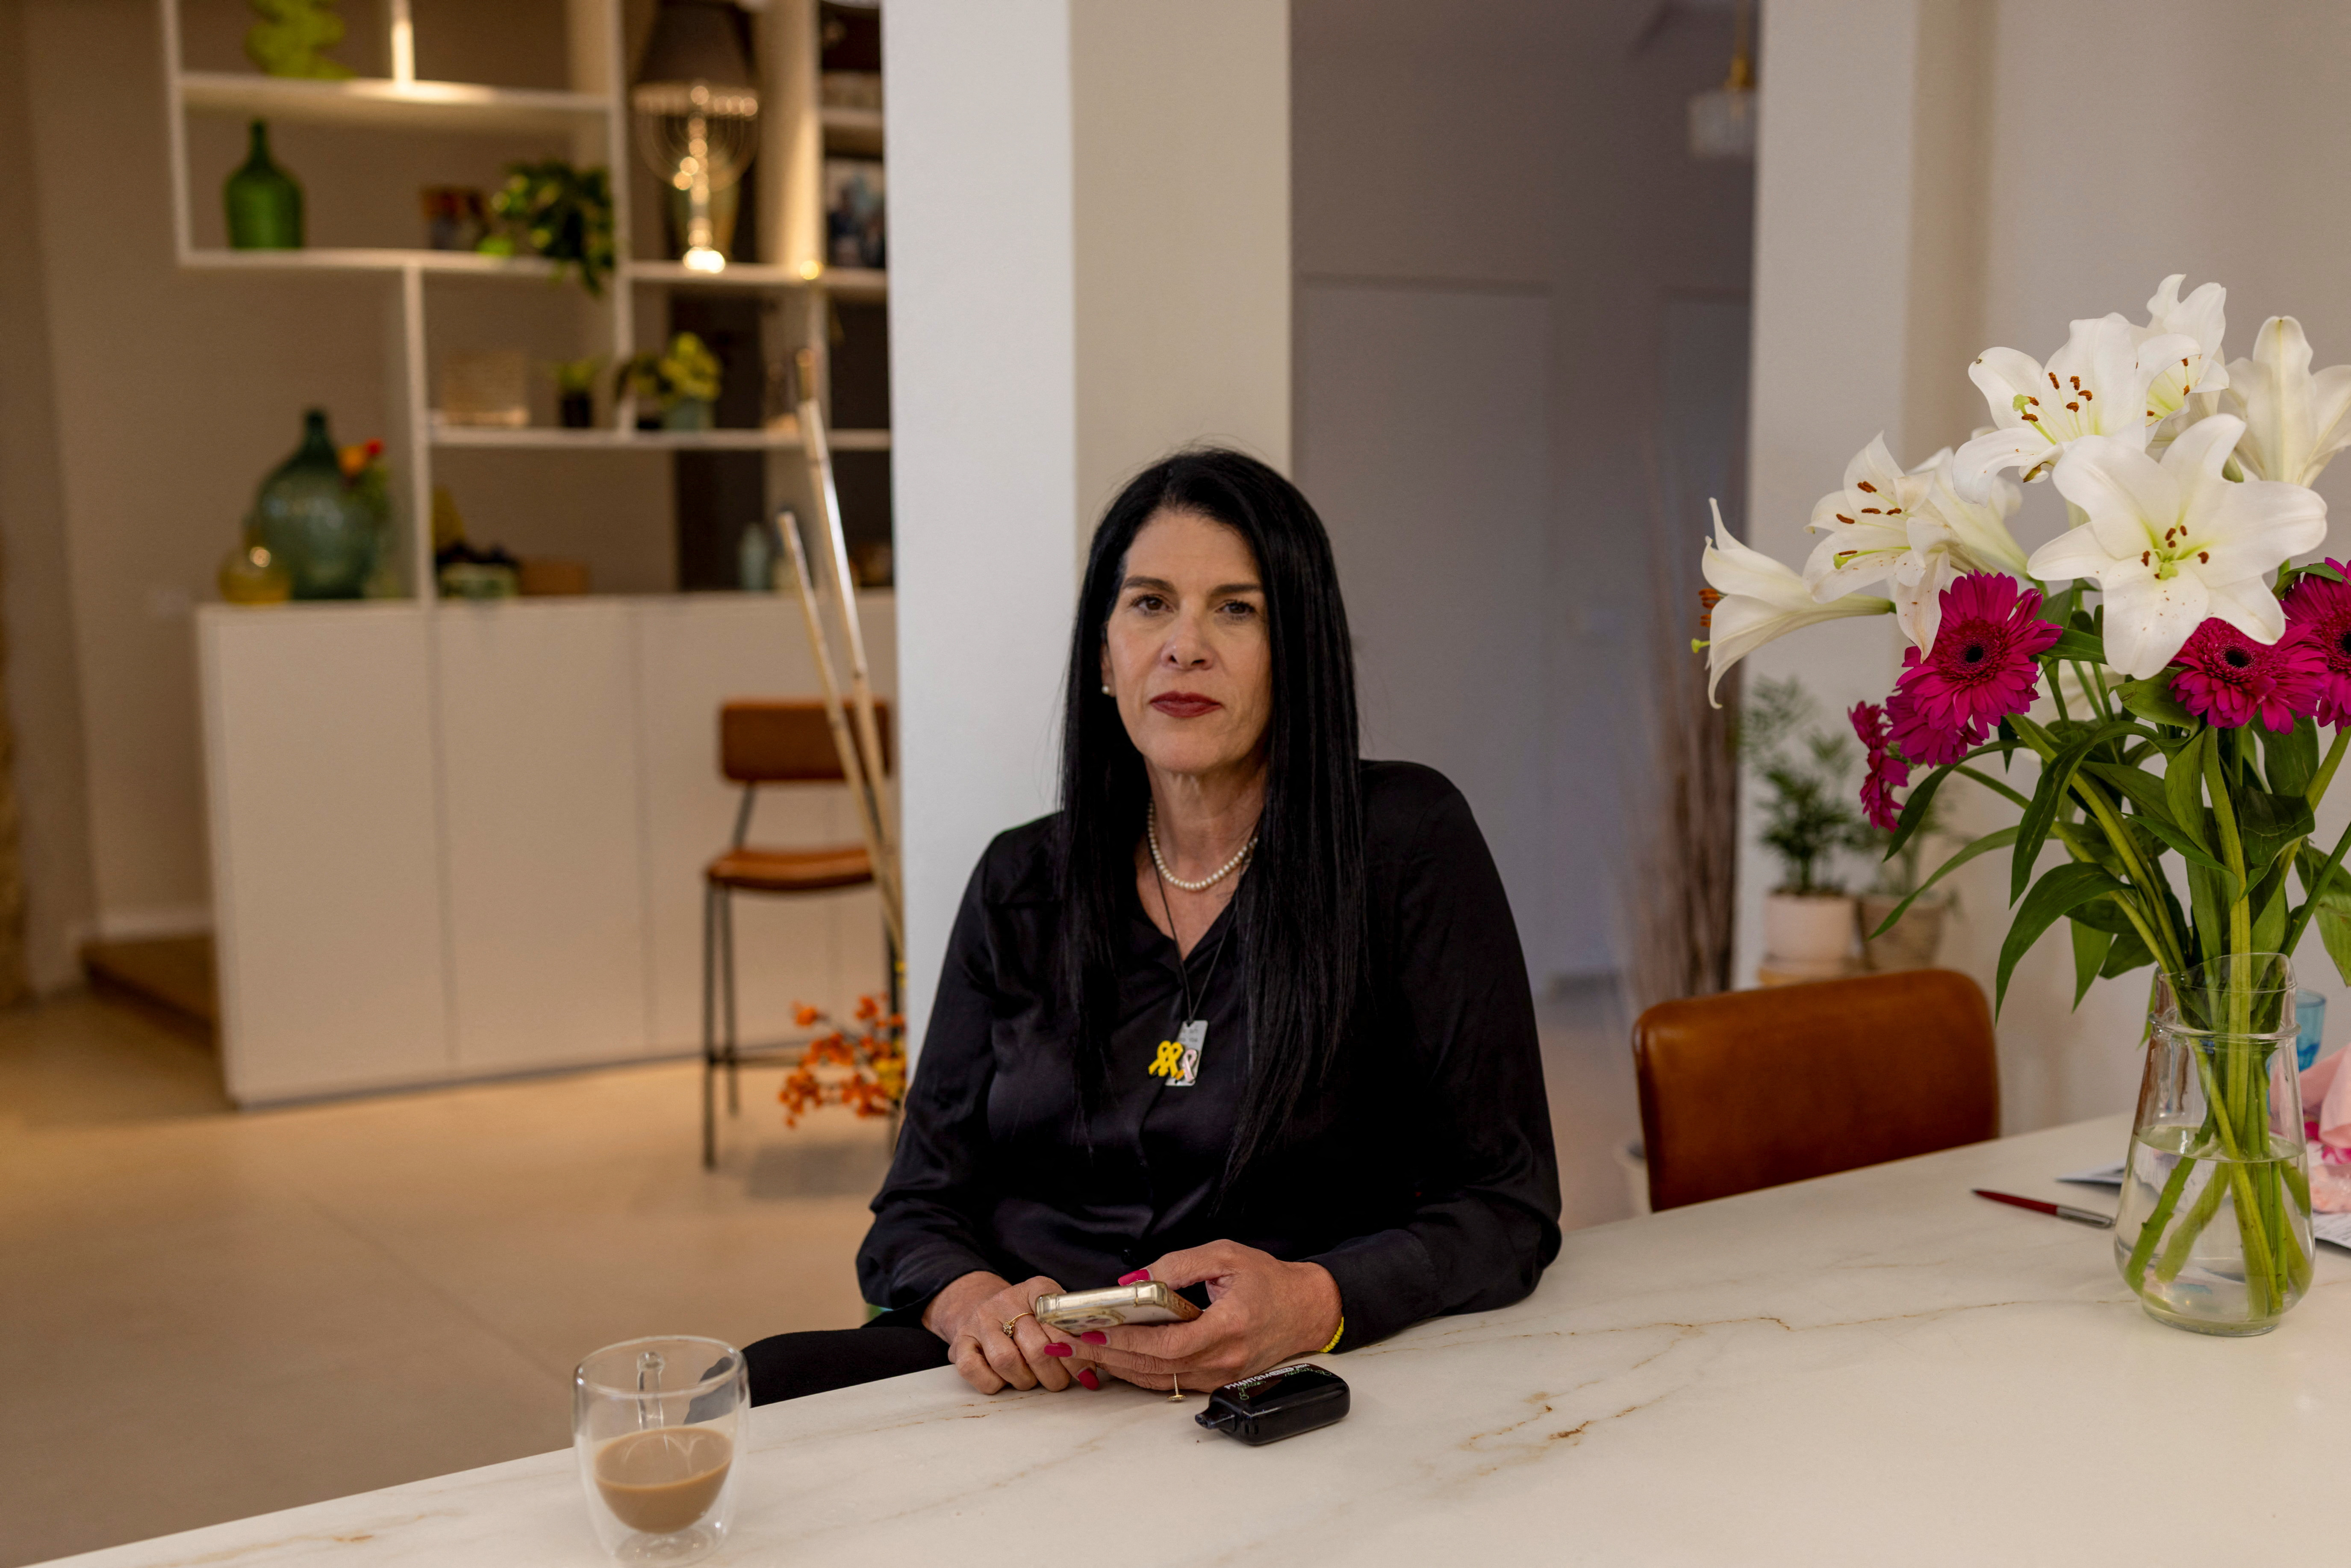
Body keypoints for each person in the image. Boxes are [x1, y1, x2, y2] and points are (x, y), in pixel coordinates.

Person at [743, 448, 1559, 1404]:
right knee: (758, 1389)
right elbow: (916, 1209)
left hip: (1273, 1390)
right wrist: (975, 1306)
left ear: (1296, 650)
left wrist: (1311, 1299)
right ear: (1103, 656)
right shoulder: (1019, 882)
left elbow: (1508, 1205)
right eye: (1148, 604)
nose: (1184, 646)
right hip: (1028, 1389)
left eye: (1236, 608)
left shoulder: (1404, 845)